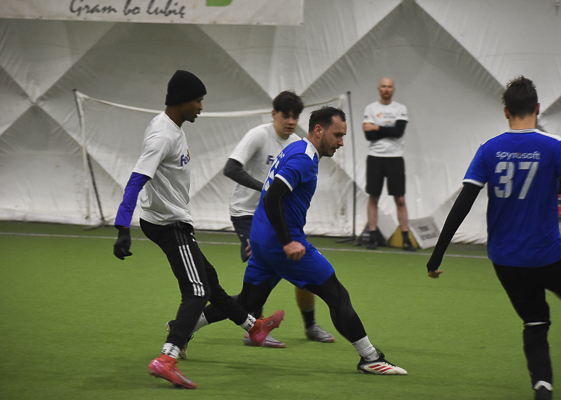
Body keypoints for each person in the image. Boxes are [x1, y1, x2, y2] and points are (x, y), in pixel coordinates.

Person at [191, 106, 407, 374]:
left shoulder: (295, 149)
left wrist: (266, 240)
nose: (341, 142)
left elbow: (272, 196)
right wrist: (287, 241)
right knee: (337, 294)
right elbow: (272, 197)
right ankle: (370, 358)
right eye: (338, 135)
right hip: (281, 244)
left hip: (263, 239)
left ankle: (184, 327)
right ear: (318, 130)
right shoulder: (303, 158)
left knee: (248, 302)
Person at [426, 76, 561, 400]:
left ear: (506, 111)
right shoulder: (554, 146)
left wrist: (436, 256)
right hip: (549, 256)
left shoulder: (489, 149)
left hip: (506, 261)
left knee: (535, 322)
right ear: (538, 108)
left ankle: (543, 391)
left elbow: (463, 203)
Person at [112, 70, 284, 389]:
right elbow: (136, 181)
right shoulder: (163, 135)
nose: (201, 107)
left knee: (210, 281)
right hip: (169, 224)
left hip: (171, 220)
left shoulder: (171, 127)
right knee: (196, 291)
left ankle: (254, 327)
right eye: (198, 101)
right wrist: (122, 227)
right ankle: (166, 358)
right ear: (182, 101)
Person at [223, 91, 334, 348]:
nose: (291, 121)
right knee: (262, 269)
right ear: (274, 114)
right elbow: (231, 168)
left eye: (295, 116)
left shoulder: (297, 143)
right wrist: (266, 188)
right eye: (285, 116)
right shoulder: (258, 135)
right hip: (247, 213)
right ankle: (253, 328)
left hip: (276, 216)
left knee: (300, 264)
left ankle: (310, 325)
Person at [362, 77, 415, 251]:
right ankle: (372, 237)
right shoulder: (370, 108)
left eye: (389, 87)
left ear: (393, 89)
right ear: (378, 89)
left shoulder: (400, 109)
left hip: (395, 157)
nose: (386, 89)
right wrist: (388, 130)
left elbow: (398, 132)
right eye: (383, 86)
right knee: (373, 197)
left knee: (400, 199)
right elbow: (368, 136)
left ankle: (406, 238)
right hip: (375, 157)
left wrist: (376, 127)